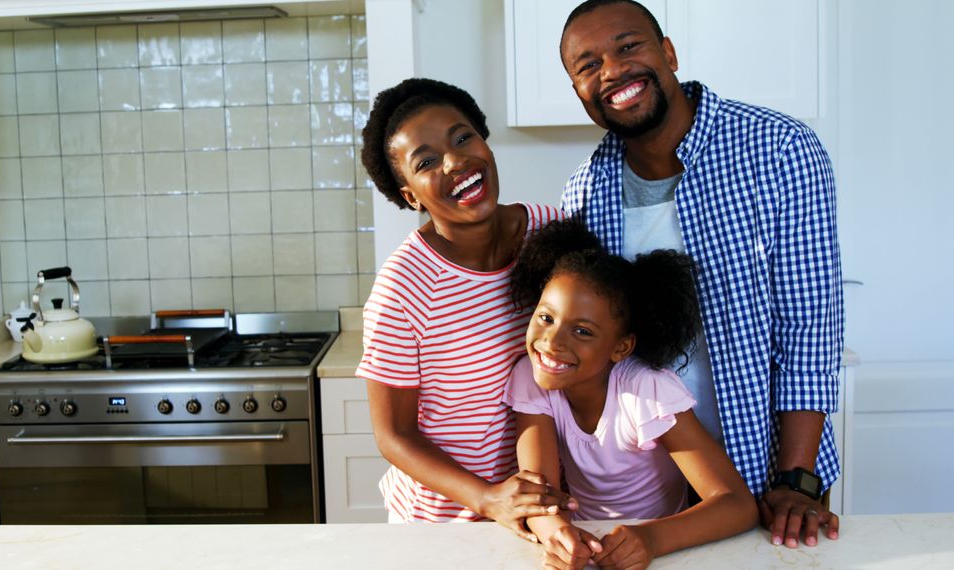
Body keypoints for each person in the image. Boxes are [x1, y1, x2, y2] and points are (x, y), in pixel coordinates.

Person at [558, 0, 844, 549]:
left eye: (627, 46)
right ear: (579, 92)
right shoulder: (585, 191)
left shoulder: (779, 149)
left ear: (668, 52)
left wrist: (795, 479)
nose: (612, 70)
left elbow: (809, 330)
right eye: (587, 65)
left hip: (771, 473)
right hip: (650, 486)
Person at [356, 78, 572, 537]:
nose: (456, 162)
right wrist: (487, 498)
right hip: (441, 526)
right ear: (409, 194)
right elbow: (393, 436)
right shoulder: (403, 288)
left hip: (544, 513)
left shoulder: (553, 234)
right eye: (427, 161)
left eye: (463, 137)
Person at [506, 218, 758, 569]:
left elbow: (737, 504)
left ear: (621, 348)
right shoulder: (531, 376)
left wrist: (650, 539)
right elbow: (539, 493)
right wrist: (559, 534)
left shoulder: (647, 391)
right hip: (589, 547)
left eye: (582, 331)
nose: (552, 341)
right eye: (546, 318)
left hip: (665, 551)